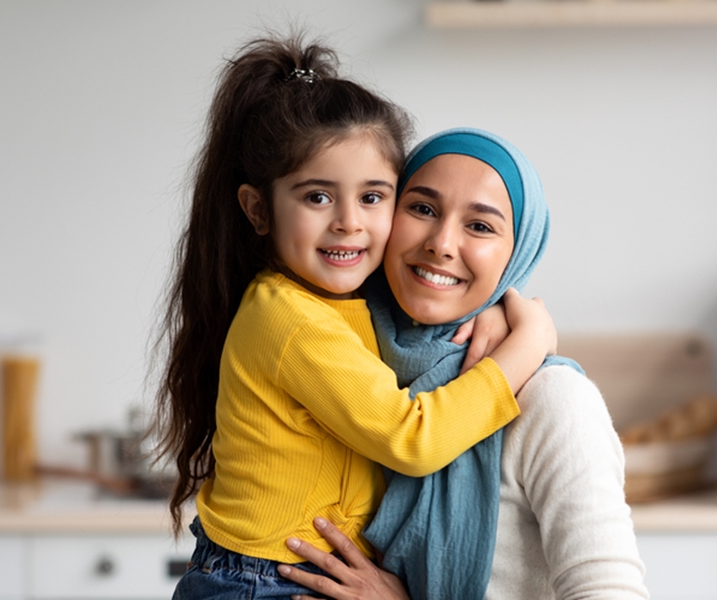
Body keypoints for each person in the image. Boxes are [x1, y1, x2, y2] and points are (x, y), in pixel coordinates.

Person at [155, 38, 559, 600]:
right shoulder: (291, 318)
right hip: (263, 582)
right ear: (257, 209)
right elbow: (410, 438)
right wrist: (532, 340)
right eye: (318, 197)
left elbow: (438, 286)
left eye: (373, 197)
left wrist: (494, 308)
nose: (350, 223)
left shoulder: (350, 300)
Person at [276, 128, 650, 600]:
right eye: (423, 209)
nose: (442, 243)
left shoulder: (554, 402)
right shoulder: (346, 361)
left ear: (517, 253)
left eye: (480, 226)